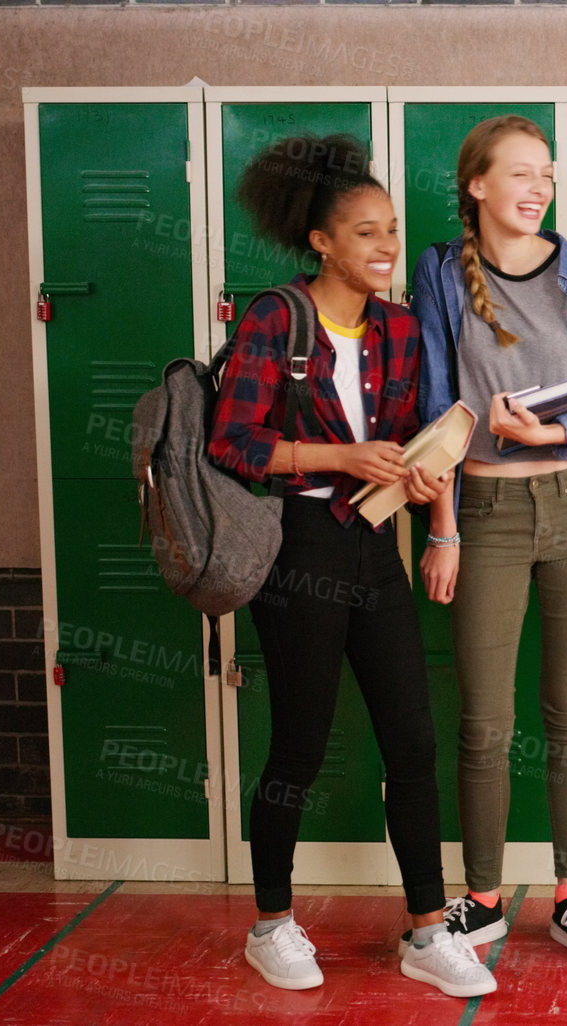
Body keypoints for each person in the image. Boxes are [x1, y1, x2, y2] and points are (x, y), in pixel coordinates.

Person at [208, 133, 493, 997]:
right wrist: (340, 458)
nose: (384, 247)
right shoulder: (274, 316)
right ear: (321, 242)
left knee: (411, 741)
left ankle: (426, 931)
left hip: (373, 545)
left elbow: (401, 438)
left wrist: (420, 467)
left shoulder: (398, 328)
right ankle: (271, 923)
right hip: (296, 551)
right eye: (364, 233)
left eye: (392, 232)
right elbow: (233, 441)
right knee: (297, 744)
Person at [409, 115, 567, 970]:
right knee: (483, 721)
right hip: (483, 516)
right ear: (476, 186)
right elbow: (433, 411)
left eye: (546, 173)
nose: (538, 188)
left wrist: (557, 435)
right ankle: (480, 898)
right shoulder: (438, 274)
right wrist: (442, 529)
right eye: (520, 174)